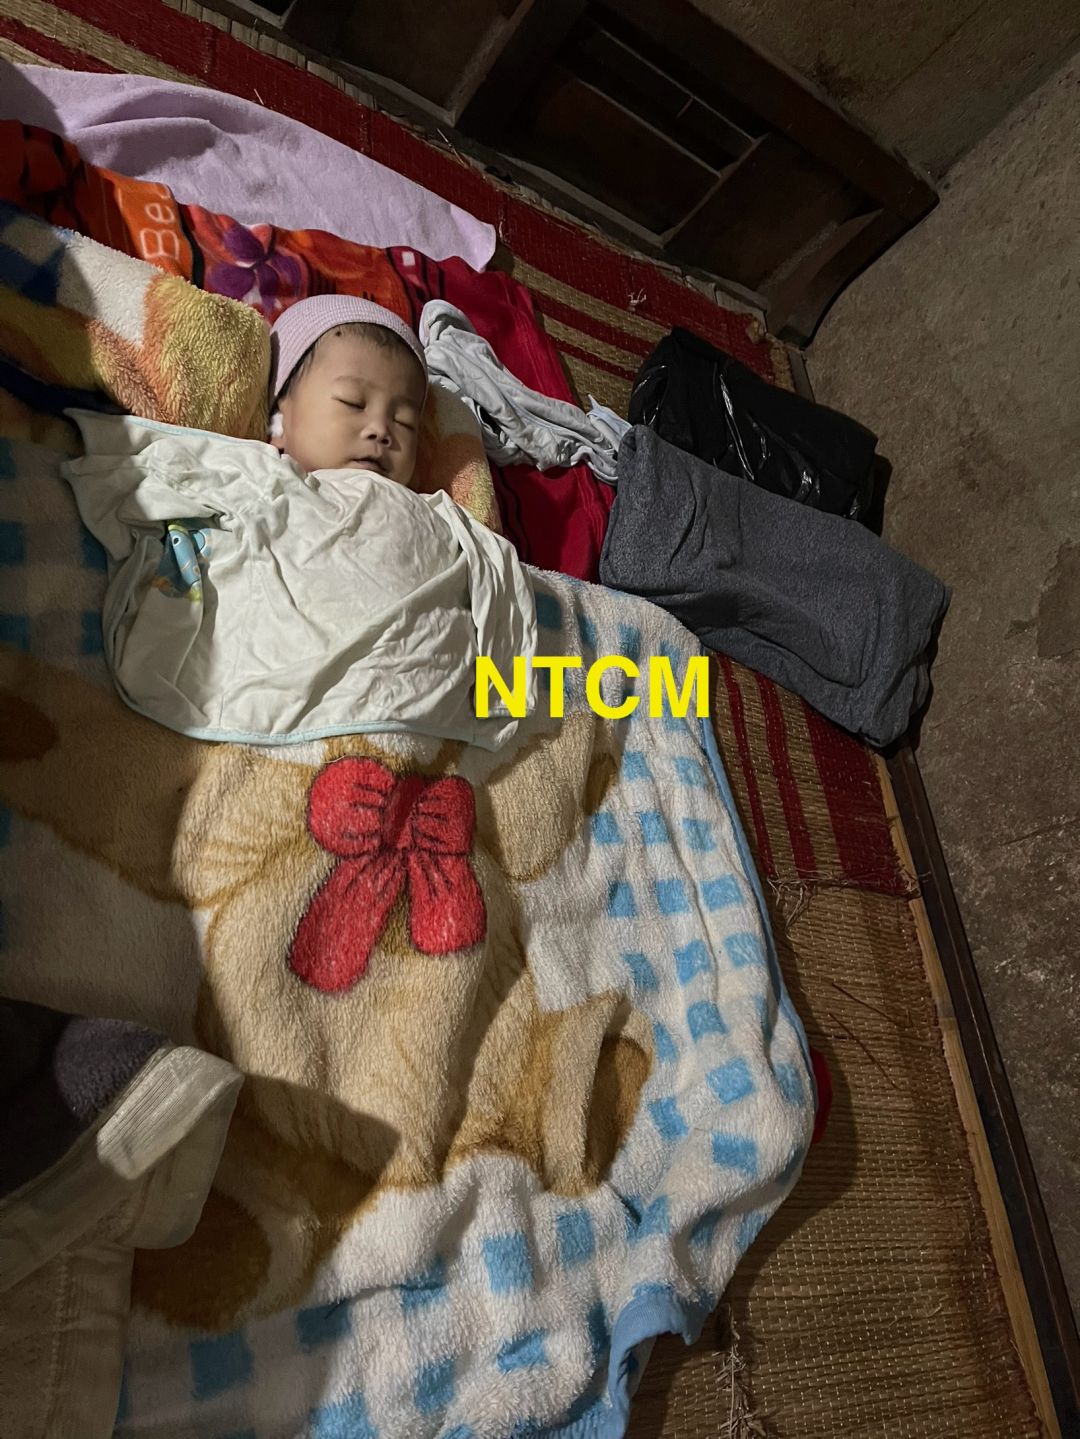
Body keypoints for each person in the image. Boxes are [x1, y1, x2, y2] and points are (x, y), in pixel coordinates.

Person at [269, 296, 428, 485]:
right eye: (352, 403)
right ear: (279, 420)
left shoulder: (425, 502)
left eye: (404, 421)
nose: (380, 430)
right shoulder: (252, 477)